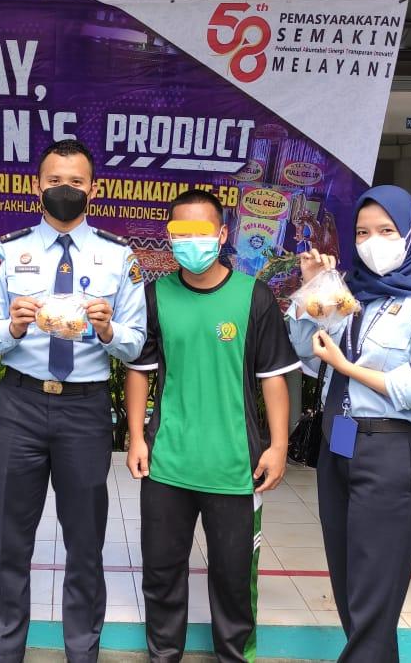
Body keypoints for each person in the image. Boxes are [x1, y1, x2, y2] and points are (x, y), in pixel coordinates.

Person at [0, 139, 147, 663]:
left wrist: (109, 330)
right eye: (53, 181)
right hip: (19, 405)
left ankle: (82, 653)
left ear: (94, 189)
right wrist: (12, 327)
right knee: (11, 544)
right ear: (37, 186)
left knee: (85, 544)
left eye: (75, 182)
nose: (64, 190)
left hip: (85, 411)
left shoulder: (119, 257)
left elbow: (136, 343)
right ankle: (7, 654)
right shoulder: (9, 252)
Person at [287, 185, 411, 663]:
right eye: (363, 232)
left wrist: (348, 369)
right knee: (351, 586)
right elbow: (305, 350)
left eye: (386, 231)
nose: (372, 242)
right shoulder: (350, 295)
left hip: (388, 449)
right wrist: (312, 289)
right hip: (338, 444)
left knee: (374, 592)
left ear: (410, 233)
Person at [126, 190, 299, 662]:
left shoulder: (253, 297)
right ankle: (164, 654)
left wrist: (278, 446)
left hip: (235, 466)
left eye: (201, 231)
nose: (191, 241)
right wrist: (137, 437)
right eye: (180, 232)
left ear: (222, 235)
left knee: (233, 578)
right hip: (167, 464)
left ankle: (234, 656)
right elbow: (140, 370)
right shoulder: (156, 295)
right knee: (162, 575)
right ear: (169, 237)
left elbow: (273, 379)